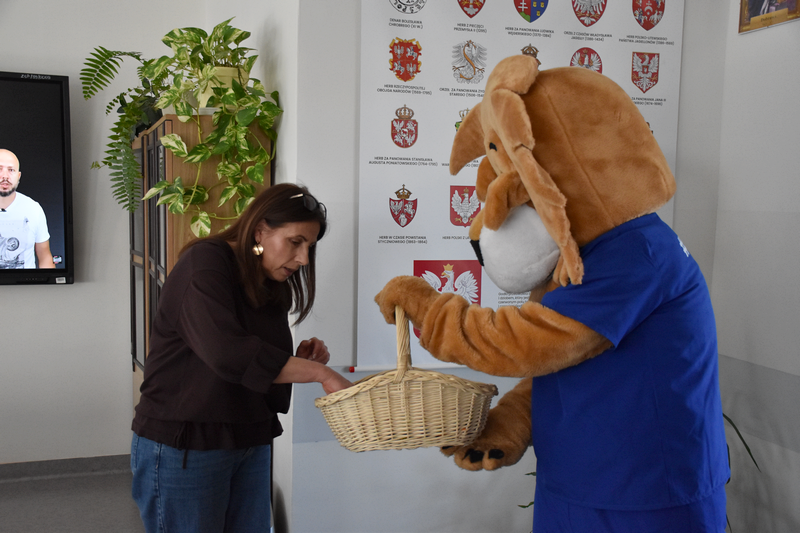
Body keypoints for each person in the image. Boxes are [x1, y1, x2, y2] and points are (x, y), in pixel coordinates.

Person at [131, 183, 352, 533]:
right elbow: (228, 353)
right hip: (186, 443)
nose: (304, 259)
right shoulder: (204, 263)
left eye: (309, 246)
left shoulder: (267, 278)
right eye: (295, 242)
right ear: (260, 229)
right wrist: (320, 373)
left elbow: (254, 359)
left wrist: (297, 360)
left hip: (249, 439)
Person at [0, 149, 55, 268]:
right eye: (0, 169)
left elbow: (45, 257)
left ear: (18, 176)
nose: (5, 176)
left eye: (11, 170)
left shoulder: (33, 209)